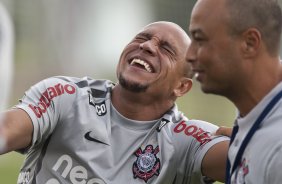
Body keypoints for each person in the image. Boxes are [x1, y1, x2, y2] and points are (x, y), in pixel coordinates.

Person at [0, 21, 229, 184]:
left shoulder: (185, 141)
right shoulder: (66, 96)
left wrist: (257, 135)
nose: (147, 46)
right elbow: (7, 129)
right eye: (142, 38)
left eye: (166, 49)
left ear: (182, 86)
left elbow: (253, 165)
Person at [187, 0, 282, 183]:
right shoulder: (259, 111)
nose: (189, 55)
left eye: (200, 39)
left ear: (249, 43)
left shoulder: (277, 145)